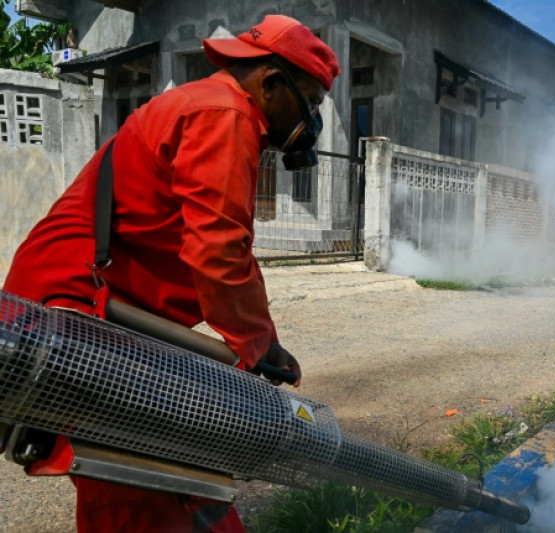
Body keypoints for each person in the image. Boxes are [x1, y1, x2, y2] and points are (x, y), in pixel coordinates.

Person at [2, 14, 340, 532]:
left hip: (101, 310)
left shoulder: (209, 105)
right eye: (311, 103)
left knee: (183, 473)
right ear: (273, 84)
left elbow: (231, 246)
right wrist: (257, 346)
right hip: (77, 310)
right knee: (142, 484)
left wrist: (263, 338)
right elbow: (218, 252)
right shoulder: (224, 114)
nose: (311, 122)